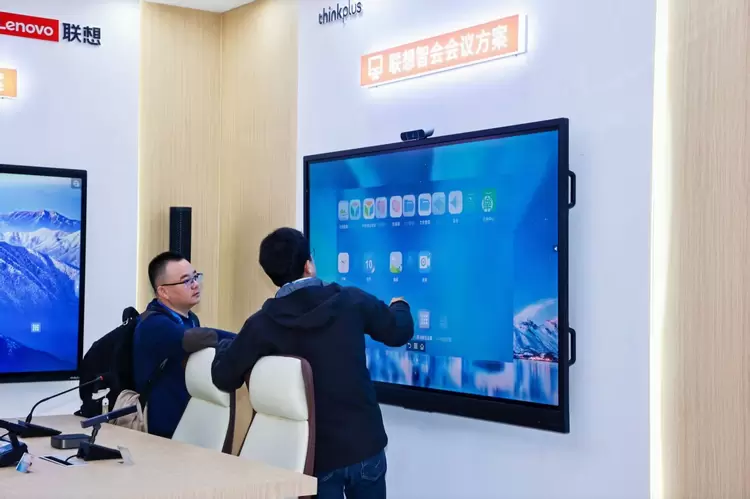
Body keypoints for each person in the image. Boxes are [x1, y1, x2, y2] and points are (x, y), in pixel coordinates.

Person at [212, 228, 414, 499]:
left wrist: (223, 345)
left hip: (314, 457)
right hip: (364, 445)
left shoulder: (261, 324)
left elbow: (223, 376)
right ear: (308, 265)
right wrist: (400, 306)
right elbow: (399, 331)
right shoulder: (350, 300)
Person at [133, 251, 233, 438]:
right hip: (160, 431)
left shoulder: (191, 319)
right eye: (186, 281)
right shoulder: (153, 324)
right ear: (163, 291)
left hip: (186, 422)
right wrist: (246, 339)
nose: (195, 285)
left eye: (195, 277)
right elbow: (195, 338)